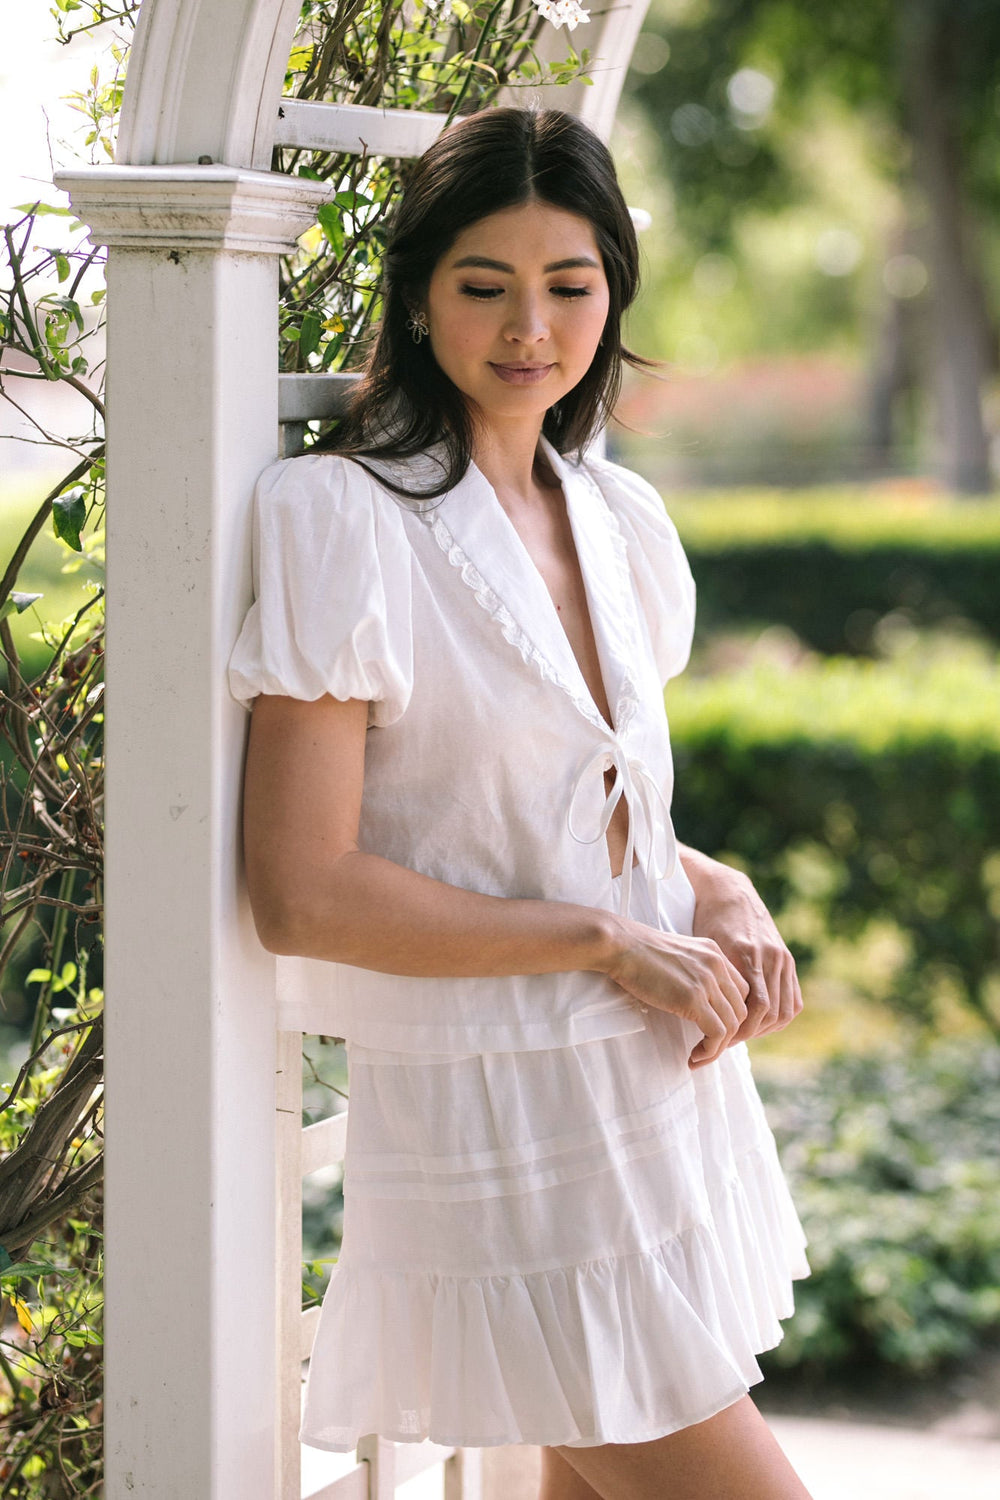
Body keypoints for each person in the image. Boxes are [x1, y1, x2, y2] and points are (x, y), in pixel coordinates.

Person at [230, 106, 813, 1500]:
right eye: (484, 285)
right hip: (509, 1128)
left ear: (613, 295)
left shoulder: (615, 518)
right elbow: (304, 886)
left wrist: (711, 891)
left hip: (656, 1091)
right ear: (420, 294)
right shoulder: (344, 523)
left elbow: (567, 822)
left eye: (571, 286)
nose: (529, 329)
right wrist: (609, 943)